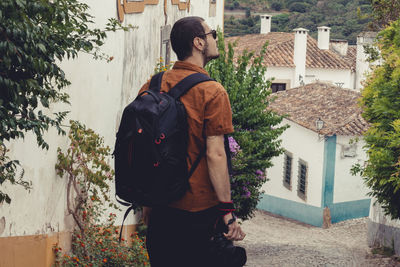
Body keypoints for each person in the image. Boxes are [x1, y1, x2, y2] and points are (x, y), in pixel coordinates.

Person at [139, 16, 245, 267]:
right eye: (212, 35)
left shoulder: (152, 85)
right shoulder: (212, 92)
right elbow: (215, 155)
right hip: (197, 211)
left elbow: (144, 147)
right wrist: (227, 213)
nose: (216, 39)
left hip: (160, 207)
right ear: (198, 42)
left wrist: (146, 203)